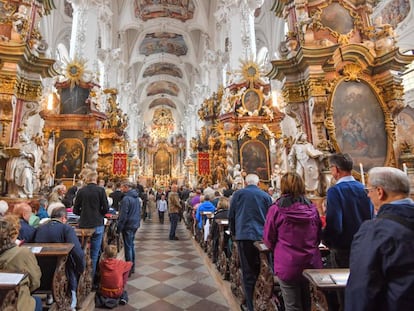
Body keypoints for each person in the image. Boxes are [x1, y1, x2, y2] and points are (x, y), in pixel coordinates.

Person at [345, 167, 414, 311]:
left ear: (380, 192)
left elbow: (362, 289)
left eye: (369, 190)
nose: (368, 196)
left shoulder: (374, 231)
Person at [263, 172, 322, 311]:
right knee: (307, 301)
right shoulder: (312, 209)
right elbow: (318, 235)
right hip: (310, 261)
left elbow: (268, 238)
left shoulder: (276, 209)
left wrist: (277, 249)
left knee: (292, 305)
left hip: (287, 263)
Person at [323, 153, 373, 310]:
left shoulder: (335, 191)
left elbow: (335, 224)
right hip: (364, 246)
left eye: (331, 168)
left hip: (342, 248)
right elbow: (371, 218)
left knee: (344, 293)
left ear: (336, 169)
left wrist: (326, 240)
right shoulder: (364, 189)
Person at [228, 173, 273, 311]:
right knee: (264, 270)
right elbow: (271, 218)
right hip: (262, 238)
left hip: (244, 236)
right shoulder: (266, 196)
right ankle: (264, 302)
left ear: (245, 183)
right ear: (258, 184)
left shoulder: (238, 195)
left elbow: (232, 216)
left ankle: (251, 305)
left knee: (247, 271)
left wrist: (234, 233)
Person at [34, 207, 85, 310]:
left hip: (41, 269)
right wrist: (81, 268)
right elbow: (76, 251)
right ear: (64, 218)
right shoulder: (66, 228)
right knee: (69, 263)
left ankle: (50, 297)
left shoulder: (40, 228)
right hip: (60, 270)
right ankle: (72, 299)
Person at [0, 215, 42, 311]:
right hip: (17, 303)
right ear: (13, 235)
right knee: (36, 301)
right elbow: (35, 281)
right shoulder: (23, 253)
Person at [73, 170, 109, 282]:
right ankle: (90, 280)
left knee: (82, 251)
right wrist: (99, 214)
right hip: (97, 224)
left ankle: (80, 277)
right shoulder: (100, 190)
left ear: (87, 179)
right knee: (94, 253)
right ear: (96, 179)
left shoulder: (81, 191)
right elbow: (106, 208)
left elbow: (75, 210)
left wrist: (83, 214)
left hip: (84, 225)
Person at [116, 180, 141, 275]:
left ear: (126, 187)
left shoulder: (126, 199)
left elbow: (123, 216)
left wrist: (119, 227)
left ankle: (128, 268)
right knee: (131, 245)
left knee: (128, 247)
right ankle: (132, 266)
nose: (121, 189)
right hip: (134, 223)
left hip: (128, 225)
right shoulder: (136, 197)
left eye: (122, 187)